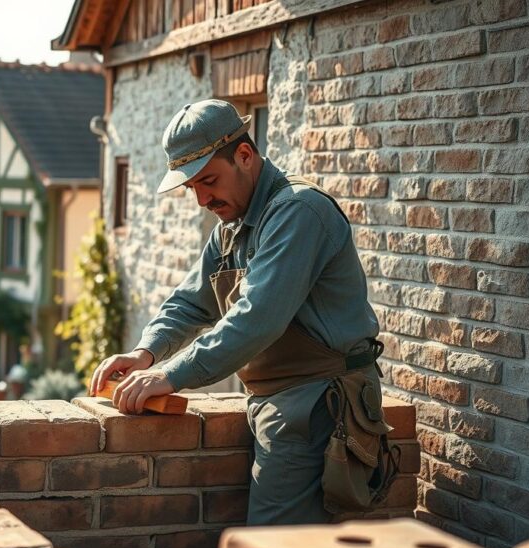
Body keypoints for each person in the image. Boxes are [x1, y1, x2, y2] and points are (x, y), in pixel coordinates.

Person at [89, 99, 383, 525]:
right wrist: (146, 353)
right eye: (192, 188)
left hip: (317, 406)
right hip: (279, 402)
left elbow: (255, 320)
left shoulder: (298, 211)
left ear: (244, 155)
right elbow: (191, 302)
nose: (202, 199)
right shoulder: (231, 226)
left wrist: (170, 376)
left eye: (209, 180)